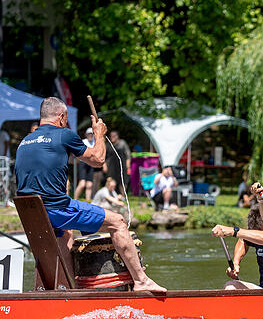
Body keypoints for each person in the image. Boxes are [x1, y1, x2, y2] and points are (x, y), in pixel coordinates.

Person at [15, 97, 163, 291]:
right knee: (118, 222)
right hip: (56, 209)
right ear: (61, 116)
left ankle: (66, 288)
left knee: (65, 234)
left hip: (31, 214)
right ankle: (142, 281)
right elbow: (98, 159)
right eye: (66, 119)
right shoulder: (64, 135)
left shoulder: (25, 141)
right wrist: (98, 134)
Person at [103, 130, 130, 195]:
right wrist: (104, 165)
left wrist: (128, 165)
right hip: (111, 166)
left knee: (122, 181)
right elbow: (104, 156)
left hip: (121, 165)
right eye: (111, 136)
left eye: (113, 136)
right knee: (110, 180)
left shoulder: (122, 143)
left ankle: (123, 196)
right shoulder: (108, 144)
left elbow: (128, 155)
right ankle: (109, 195)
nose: (112, 137)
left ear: (117, 136)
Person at [73, 128, 96, 201]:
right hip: (83, 163)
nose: (90, 136)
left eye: (91, 134)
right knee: (82, 184)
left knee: (89, 185)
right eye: (89, 134)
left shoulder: (95, 142)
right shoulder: (83, 142)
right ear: (86, 135)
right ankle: (75, 199)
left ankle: (87, 201)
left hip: (91, 163)